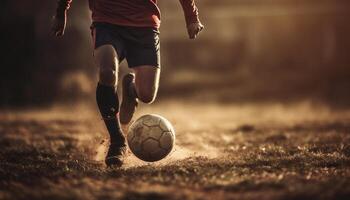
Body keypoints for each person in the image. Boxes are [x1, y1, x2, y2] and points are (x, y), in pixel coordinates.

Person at [52, 0, 204, 167]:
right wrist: (61, 12)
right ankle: (117, 141)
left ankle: (131, 89)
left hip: (145, 26)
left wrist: (192, 18)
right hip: (107, 22)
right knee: (107, 72)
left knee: (147, 95)